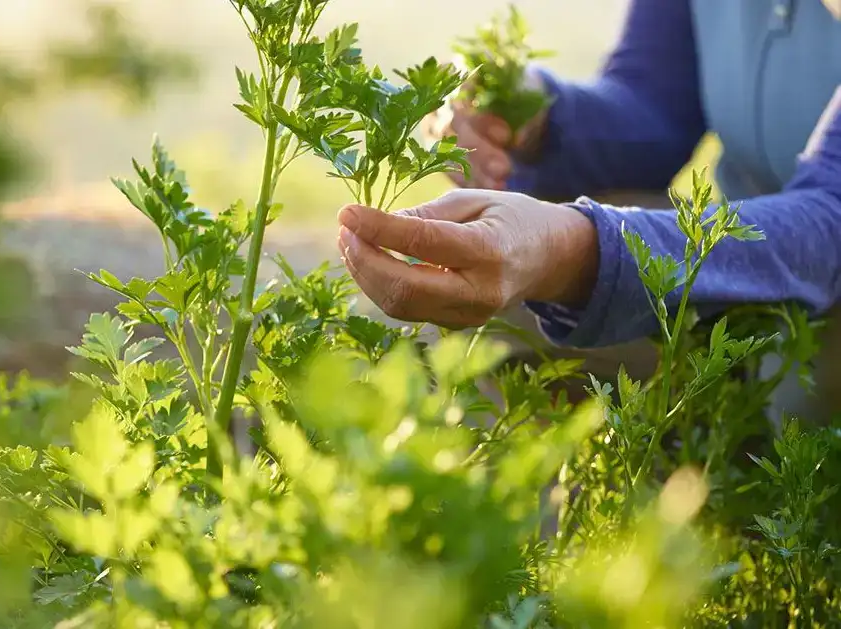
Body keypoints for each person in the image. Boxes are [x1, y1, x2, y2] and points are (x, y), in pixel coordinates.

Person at [336, 0, 841, 424]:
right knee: (456, 322)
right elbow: (658, 105)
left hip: (817, 281)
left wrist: (577, 253)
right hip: (752, 270)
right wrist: (540, 118)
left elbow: (831, 221)